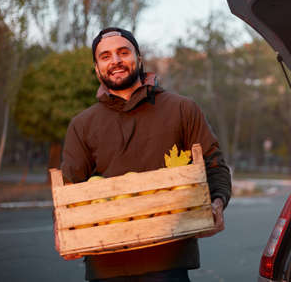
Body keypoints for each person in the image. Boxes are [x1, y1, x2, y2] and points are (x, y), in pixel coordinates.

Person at [57, 27, 232, 282]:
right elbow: (69, 186)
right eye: (105, 56)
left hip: (169, 261)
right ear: (96, 68)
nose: (115, 60)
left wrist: (217, 203)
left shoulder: (182, 109)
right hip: (106, 263)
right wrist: (61, 227)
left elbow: (214, 164)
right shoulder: (82, 124)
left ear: (139, 59)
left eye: (123, 52)